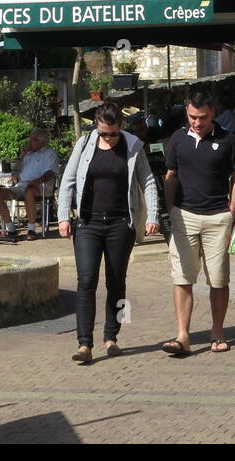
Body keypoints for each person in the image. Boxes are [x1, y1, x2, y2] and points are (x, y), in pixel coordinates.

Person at [58, 100, 161, 364]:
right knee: (86, 281)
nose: (109, 138)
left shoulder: (132, 146)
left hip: (120, 223)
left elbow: (147, 180)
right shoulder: (83, 145)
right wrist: (62, 217)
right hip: (88, 223)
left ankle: (114, 335)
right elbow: (68, 180)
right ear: (96, 127)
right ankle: (84, 343)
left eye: (113, 133)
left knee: (118, 281)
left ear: (120, 127)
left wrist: (152, 215)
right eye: (104, 133)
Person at [161, 90, 235, 357]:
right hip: (184, 217)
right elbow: (171, 175)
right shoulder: (178, 139)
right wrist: (171, 209)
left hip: (218, 217)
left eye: (203, 117)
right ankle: (183, 335)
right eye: (193, 117)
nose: (197, 122)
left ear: (213, 114)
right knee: (182, 278)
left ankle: (217, 331)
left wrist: (232, 211)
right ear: (187, 112)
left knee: (218, 279)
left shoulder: (228, 139)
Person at [0, 127, 59, 240]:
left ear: (42, 142)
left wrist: (36, 182)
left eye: (34, 140)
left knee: (29, 191)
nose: (30, 142)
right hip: (22, 185)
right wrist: (21, 156)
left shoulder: (50, 153)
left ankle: (31, 229)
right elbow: (15, 172)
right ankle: (11, 229)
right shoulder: (27, 155)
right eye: (30, 139)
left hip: (41, 186)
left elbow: (51, 172)